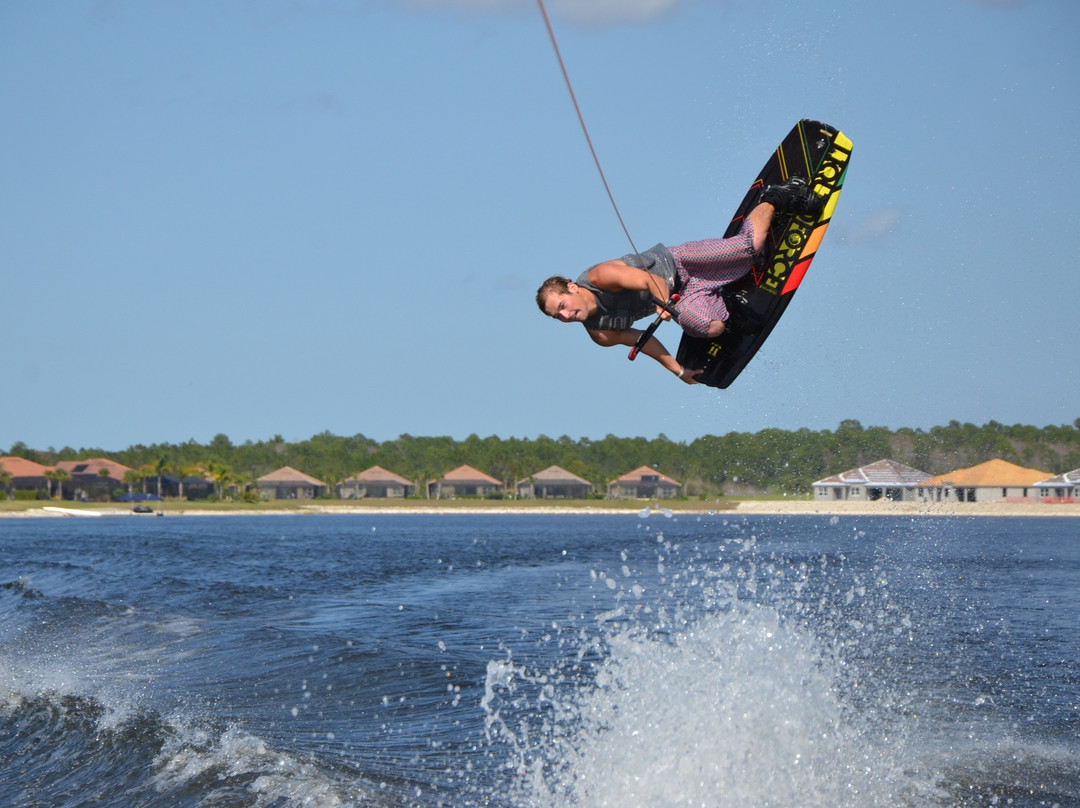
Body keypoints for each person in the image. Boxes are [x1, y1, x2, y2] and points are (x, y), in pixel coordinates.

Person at [536, 178, 825, 384]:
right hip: (682, 297)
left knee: (750, 246)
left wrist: (662, 302)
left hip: (683, 263)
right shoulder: (599, 333)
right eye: (556, 316)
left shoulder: (600, 277)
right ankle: (724, 302)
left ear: (572, 287)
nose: (564, 315)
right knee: (711, 327)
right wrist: (678, 371)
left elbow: (650, 280)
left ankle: (777, 197)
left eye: (561, 305)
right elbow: (641, 340)